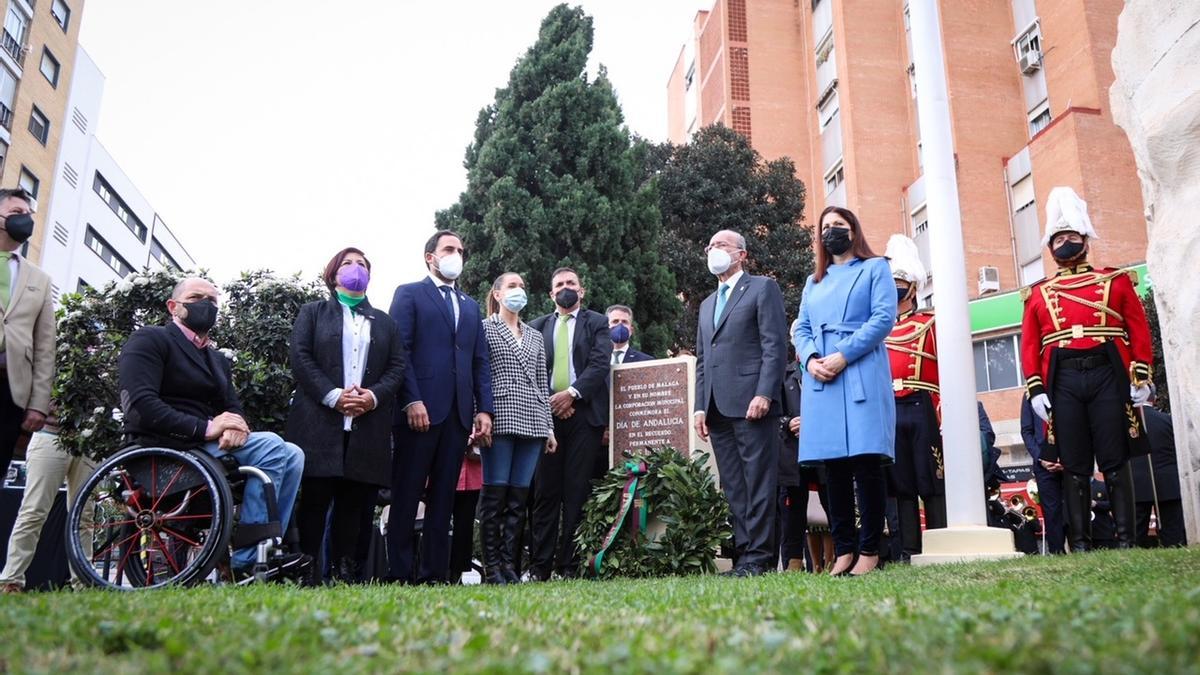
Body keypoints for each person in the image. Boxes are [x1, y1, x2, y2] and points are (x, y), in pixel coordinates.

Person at [118, 277, 307, 579]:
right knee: (272, 444)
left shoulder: (217, 360)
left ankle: (268, 548)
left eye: (213, 300)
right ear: (173, 306)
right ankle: (249, 560)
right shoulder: (150, 340)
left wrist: (236, 427)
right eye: (196, 297)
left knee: (294, 453)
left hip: (206, 448)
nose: (206, 305)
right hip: (164, 444)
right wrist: (207, 428)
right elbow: (141, 406)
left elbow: (232, 407)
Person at [1020, 187, 1152, 551]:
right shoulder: (1038, 294)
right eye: (1058, 238)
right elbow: (1030, 345)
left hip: (1107, 373)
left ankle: (1127, 541)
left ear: (1085, 240)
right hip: (1064, 379)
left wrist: (1140, 374)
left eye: (1071, 236)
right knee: (1074, 464)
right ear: (1050, 247)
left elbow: (1137, 329)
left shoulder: (1116, 281)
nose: (1065, 242)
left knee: (1115, 458)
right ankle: (1078, 544)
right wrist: (1036, 389)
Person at [286, 248, 406, 583]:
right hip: (319, 421)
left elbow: (397, 367)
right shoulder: (313, 313)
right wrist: (334, 396)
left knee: (356, 503)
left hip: (368, 423)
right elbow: (301, 358)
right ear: (333, 273)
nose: (356, 269)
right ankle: (306, 569)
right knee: (314, 500)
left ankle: (345, 571)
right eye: (348, 263)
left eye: (363, 264)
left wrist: (372, 397)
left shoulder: (385, 322)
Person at [793, 206, 896, 577]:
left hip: (860, 370)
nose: (832, 231)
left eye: (839, 225)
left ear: (854, 230)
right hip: (822, 377)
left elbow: (883, 318)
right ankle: (844, 550)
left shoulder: (875, 268)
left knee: (865, 463)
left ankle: (870, 549)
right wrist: (810, 359)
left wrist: (843, 354)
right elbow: (800, 327)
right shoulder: (813, 281)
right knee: (832, 466)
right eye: (825, 227)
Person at [387, 230, 493, 584]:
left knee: (443, 499)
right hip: (419, 411)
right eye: (449, 249)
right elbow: (399, 351)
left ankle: (434, 575)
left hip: (459, 415)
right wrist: (411, 400)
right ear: (429, 257)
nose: (456, 255)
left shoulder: (470, 305)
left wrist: (484, 410)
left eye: (461, 250)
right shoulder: (409, 294)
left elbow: (479, 361)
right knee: (407, 492)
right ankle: (400, 574)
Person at [694, 229, 788, 577]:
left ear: (741, 255)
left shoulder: (762, 288)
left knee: (759, 482)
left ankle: (761, 558)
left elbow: (774, 345)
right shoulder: (707, 304)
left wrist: (765, 392)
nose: (713, 250)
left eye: (720, 245)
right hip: (717, 408)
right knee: (734, 485)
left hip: (752, 403)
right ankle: (745, 556)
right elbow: (704, 359)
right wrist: (699, 406)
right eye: (710, 245)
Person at [528, 267, 610, 580]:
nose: (566, 288)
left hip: (585, 417)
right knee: (545, 494)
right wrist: (554, 403)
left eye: (571, 283)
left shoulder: (598, 322)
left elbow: (600, 363)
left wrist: (572, 395)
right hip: (546, 418)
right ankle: (540, 567)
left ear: (582, 290)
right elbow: (533, 372)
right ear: (551, 294)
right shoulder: (537, 327)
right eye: (560, 284)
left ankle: (569, 566)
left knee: (576, 493)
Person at [480, 272, 556, 584]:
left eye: (522, 285)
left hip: (534, 419)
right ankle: (492, 567)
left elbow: (542, 383)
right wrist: (479, 414)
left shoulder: (535, 335)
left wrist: (549, 428)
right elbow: (479, 375)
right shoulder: (483, 329)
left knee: (519, 498)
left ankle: (510, 566)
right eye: (512, 286)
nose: (519, 291)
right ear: (497, 294)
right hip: (500, 414)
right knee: (496, 495)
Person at [882, 234, 945, 561]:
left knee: (931, 479)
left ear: (913, 286)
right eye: (892, 281)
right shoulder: (879, 328)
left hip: (923, 406)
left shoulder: (931, 323)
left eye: (901, 281)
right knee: (902, 483)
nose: (896, 286)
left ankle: (937, 543)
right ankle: (908, 550)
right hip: (891, 409)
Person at [0, 413, 95, 593]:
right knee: (33, 512)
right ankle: (10, 581)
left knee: (84, 516)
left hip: (90, 439)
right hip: (50, 434)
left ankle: (84, 584)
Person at [0, 188, 53, 480]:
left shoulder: (39, 280)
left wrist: (38, 403)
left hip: (9, 392)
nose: (25, 221)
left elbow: (45, 345)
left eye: (29, 215)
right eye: (16, 213)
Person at [1130, 389, 1186, 547]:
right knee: (1173, 531)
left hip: (1137, 483)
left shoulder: (1126, 423)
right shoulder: (1167, 420)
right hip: (1168, 481)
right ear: (1153, 398)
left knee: (1136, 533)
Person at [1021, 392, 1066, 554]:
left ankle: (1080, 546)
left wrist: (1066, 458)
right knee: (1051, 510)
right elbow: (1026, 431)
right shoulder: (1029, 394)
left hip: (1069, 461)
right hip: (1043, 464)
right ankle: (1057, 551)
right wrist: (1042, 458)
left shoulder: (1064, 384)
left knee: (1074, 507)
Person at [449, 449, 482, 582]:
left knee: (465, 525)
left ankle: (457, 574)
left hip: (472, 468)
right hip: (445, 466)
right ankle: (435, 570)